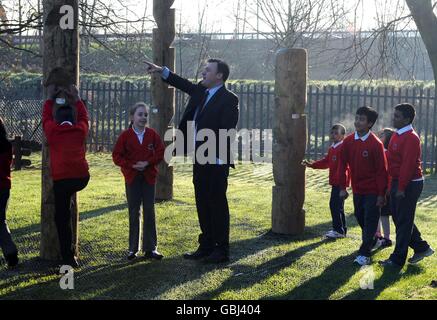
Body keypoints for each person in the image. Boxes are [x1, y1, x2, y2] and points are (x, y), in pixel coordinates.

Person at [145, 58, 239, 263]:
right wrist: (163, 71)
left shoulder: (229, 99)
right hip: (199, 157)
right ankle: (206, 246)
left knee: (217, 204)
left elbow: (227, 130)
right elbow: (183, 84)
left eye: (208, 70)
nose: (204, 73)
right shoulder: (200, 91)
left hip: (215, 160)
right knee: (202, 202)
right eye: (204, 69)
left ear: (219, 75)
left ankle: (221, 250)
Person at [379, 103, 434, 268]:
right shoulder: (397, 134)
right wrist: (391, 185)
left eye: (397, 116)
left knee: (403, 221)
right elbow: (393, 161)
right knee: (401, 218)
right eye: (394, 115)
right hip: (398, 181)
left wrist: (401, 188)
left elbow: (408, 166)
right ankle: (421, 247)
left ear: (407, 119)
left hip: (410, 183)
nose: (393, 118)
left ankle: (397, 260)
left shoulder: (411, 137)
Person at [43, 84, 90, 268]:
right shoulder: (79, 130)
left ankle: (68, 257)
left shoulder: (53, 132)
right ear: (72, 120)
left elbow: (45, 117)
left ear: (58, 121)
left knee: (61, 219)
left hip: (62, 180)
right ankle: (71, 200)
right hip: (81, 178)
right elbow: (86, 118)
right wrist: (77, 99)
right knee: (69, 196)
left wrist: (49, 99)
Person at [112, 102, 165, 261]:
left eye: (145, 115)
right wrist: (132, 165)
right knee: (134, 211)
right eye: (140, 114)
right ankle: (132, 249)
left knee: (149, 210)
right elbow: (117, 156)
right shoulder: (125, 136)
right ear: (132, 117)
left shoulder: (152, 134)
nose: (143, 117)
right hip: (132, 177)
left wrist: (148, 163)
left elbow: (161, 152)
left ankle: (151, 248)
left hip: (149, 178)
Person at [338, 106, 388, 266]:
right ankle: (373, 239)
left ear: (370, 123)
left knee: (370, 219)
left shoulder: (376, 144)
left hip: (373, 190)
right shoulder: (348, 141)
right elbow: (342, 165)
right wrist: (342, 187)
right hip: (357, 189)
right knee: (360, 217)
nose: (357, 122)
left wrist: (381, 194)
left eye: (362, 119)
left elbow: (382, 171)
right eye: (357, 118)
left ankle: (364, 253)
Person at [302, 124, 350, 239]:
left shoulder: (342, 148)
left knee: (334, 205)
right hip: (335, 182)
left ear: (343, 136)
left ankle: (338, 230)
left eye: (336, 133)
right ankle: (342, 230)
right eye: (332, 133)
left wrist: (343, 187)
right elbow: (326, 162)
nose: (333, 135)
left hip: (340, 183)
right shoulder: (333, 148)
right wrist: (312, 165)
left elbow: (345, 168)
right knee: (338, 207)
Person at [0, 118, 18, 268]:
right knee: (1, 220)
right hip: (4, 186)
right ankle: (10, 254)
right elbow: (9, 164)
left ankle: (11, 254)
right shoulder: (7, 145)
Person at [374, 128, 395, 248]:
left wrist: (387, 188)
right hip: (376, 188)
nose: (379, 136)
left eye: (382, 135)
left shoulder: (386, 153)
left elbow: (388, 173)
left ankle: (386, 238)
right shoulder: (379, 151)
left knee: (383, 215)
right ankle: (378, 235)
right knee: (376, 213)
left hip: (384, 189)